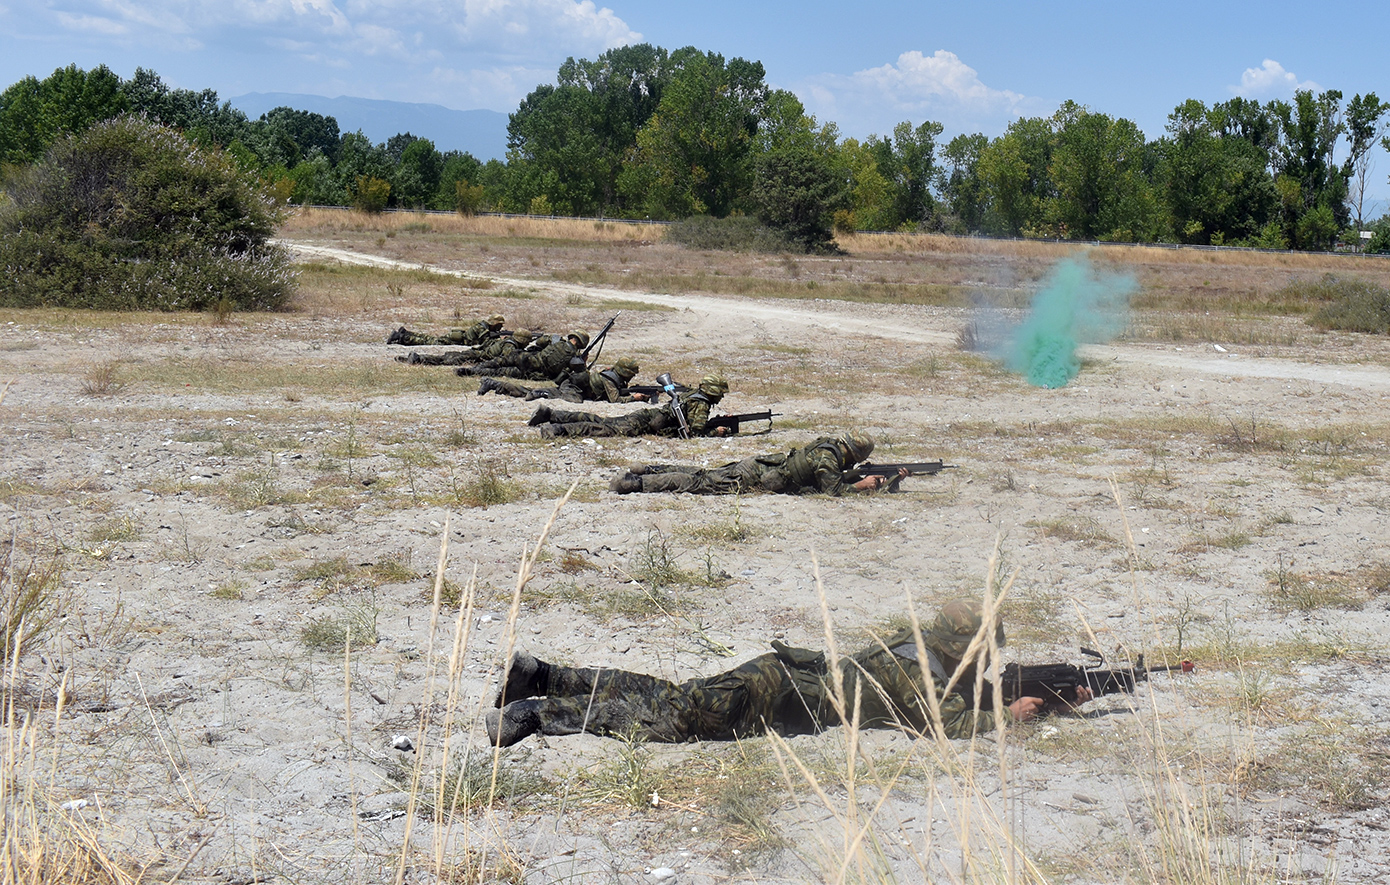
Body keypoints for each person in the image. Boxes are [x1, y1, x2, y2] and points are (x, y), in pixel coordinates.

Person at [485, 599, 1091, 746]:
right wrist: (1012, 716)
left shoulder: (913, 647)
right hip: (777, 699)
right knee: (668, 721)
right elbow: (949, 724)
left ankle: (544, 674)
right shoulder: (923, 676)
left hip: (777, 676)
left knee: (669, 694)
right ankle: (536, 713)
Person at [607, 432, 905, 495]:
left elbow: (831, 477)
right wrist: (863, 486)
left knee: (705, 474)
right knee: (699, 483)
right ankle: (635, 483)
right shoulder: (829, 459)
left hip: (761, 466)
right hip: (755, 477)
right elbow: (833, 489)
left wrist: (891, 479)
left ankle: (649, 469)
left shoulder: (828, 447)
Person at [528, 374, 729, 438]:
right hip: (645, 423)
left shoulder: (693, 394)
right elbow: (696, 431)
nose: (721, 396)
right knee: (603, 428)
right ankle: (558, 429)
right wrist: (716, 431)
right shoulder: (701, 404)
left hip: (647, 415)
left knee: (602, 421)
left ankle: (552, 414)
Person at [478, 357, 650, 403]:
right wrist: (634, 398)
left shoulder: (612, 373)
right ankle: (540, 394)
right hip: (573, 389)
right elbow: (615, 399)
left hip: (574, 386)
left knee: (526, 390)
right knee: (566, 399)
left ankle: (494, 384)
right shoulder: (609, 379)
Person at [457, 330, 588, 382]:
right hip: (537, 373)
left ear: (572, 337)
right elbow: (574, 375)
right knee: (500, 372)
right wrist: (584, 363)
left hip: (527, 359)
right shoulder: (575, 358)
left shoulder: (557, 341)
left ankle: (472, 369)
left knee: (501, 361)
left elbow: (539, 342)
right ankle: (472, 373)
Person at [397, 329, 536, 366]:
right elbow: (509, 358)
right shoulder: (510, 345)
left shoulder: (504, 341)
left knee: (446, 357)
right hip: (477, 358)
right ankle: (418, 360)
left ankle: (415, 358)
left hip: (475, 353)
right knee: (446, 361)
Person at [387, 314, 504, 347]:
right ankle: (402, 338)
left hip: (457, 337)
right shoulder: (482, 328)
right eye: (499, 325)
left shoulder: (483, 326)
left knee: (430, 338)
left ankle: (406, 333)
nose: (500, 328)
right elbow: (486, 342)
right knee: (430, 342)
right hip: (457, 340)